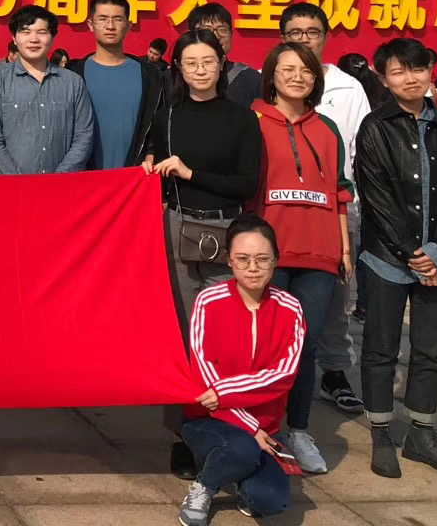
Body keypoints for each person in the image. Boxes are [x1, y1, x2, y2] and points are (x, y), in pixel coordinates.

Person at [356, 38, 437, 479]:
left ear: (431, 70)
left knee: (430, 351)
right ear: (383, 78)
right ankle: (381, 435)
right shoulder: (374, 128)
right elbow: (378, 201)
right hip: (388, 260)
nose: (409, 79)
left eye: (417, 69)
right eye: (398, 71)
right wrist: (414, 255)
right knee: (381, 349)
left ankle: (422, 435)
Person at [142, 28, 262, 480]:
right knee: (182, 335)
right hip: (178, 226)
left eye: (207, 61)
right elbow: (157, 167)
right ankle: (183, 434)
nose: (199, 70)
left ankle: (230, 425)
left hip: (227, 230)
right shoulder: (168, 117)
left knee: (224, 334)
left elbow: (246, 183)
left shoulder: (242, 118)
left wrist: (191, 173)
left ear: (222, 63)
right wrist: (151, 166)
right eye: (190, 62)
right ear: (178, 67)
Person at [249, 42, 350, 475]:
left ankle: (300, 429)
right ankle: (259, 428)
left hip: (319, 253)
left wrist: (344, 249)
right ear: (271, 74)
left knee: (304, 345)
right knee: (265, 346)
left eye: (306, 70)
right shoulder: (251, 121)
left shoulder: (327, 128)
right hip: (268, 254)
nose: (297, 76)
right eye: (287, 69)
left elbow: (340, 192)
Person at [177, 214, 304, 526]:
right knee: (242, 448)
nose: (253, 267)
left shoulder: (291, 309)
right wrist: (248, 426)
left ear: (276, 260)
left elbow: (283, 375)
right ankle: (205, 485)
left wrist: (227, 397)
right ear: (229, 261)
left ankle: (234, 468)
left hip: (266, 428)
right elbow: (204, 372)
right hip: (209, 420)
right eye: (243, 258)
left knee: (270, 502)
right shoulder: (208, 301)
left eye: (262, 258)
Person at [280, 1, 372, 417]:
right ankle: (278, 378)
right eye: (295, 33)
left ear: (325, 37)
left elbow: (361, 153)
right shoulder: (271, 82)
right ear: (283, 38)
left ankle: (334, 372)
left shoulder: (347, 88)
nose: (304, 40)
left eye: (312, 32)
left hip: (336, 210)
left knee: (336, 299)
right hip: (281, 212)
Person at [0, 5, 93, 175]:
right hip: (8, 187)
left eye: (42, 32)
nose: (34, 39)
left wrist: (59, 180)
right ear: (14, 38)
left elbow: (84, 137)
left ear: (53, 37)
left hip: (61, 187)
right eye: (25, 32)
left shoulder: (73, 83)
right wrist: (21, 183)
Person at [67, 0, 162, 171]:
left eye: (118, 19)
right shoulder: (73, 74)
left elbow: (157, 126)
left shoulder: (150, 76)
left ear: (129, 25)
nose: (110, 26)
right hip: (83, 177)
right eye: (103, 19)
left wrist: (151, 154)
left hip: (134, 177)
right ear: (91, 24)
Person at [189, 3, 260, 109]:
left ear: (231, 34)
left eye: (222, 30)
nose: (216, 36)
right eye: (207, 30)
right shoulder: (173, 78)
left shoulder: (252, 79)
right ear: (191, 35)